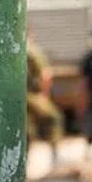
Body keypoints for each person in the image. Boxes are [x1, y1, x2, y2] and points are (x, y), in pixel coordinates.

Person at [25, 32, 64, 169]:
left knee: (25, 127)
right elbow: (45, 75)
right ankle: (56, 154)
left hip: (17, 96)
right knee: (53, 118)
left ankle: (23, 160)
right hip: (32, 95)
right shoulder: (32, 51)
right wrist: (44, 94)